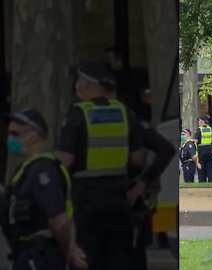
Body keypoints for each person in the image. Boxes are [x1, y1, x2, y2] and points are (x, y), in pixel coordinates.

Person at [55, 61, 145, 270]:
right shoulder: (123, 111)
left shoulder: (77, 113)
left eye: (78, 80)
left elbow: (65, 160)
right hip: (119, 201)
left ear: (86, 85)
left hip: (87, 203)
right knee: (117, 260)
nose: (76, 85)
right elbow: (138, 158)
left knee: (87, 259)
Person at [2, 109, 87, 270]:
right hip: (26, 255)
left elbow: (60, 220)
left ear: (33, 137)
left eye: (15, 133)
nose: (10, 138)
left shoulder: (43, 171)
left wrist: (69, 250)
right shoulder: (26, 169)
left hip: (41, 256)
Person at [127, 88, 176, 270]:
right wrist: (144, 182)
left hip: (125, 206)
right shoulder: (133, 122)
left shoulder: (130, 123)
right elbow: (166, 150)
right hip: (136, 205)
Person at [105, 47, 143, 117]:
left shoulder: (129, 76)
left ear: (118, 60)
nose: (107, 62)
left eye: (109, 58)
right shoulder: (109, 75)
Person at [194, 116, 212, 182]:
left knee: (200, 168)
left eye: (199, 121)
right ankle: (211, 182)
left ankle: (202, 182)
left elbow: (196, 141)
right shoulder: (210, 129)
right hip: (209, 151)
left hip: (201, 151)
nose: (198, 123)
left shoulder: (199, 129)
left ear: (202, 122)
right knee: (210, 168)